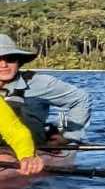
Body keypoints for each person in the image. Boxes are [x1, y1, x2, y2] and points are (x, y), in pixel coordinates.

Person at [0, 35, 92, 176]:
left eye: (10, 59)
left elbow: (80, 98)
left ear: (19, 61)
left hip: (32, 148)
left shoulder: (39, 83)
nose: (4, 65)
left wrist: (69, 136)